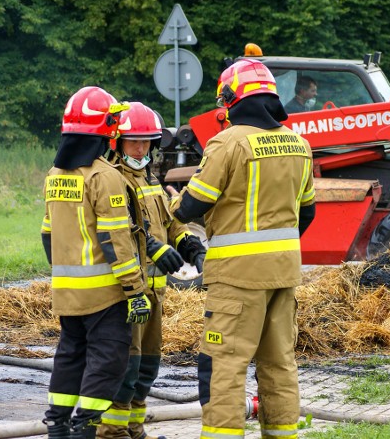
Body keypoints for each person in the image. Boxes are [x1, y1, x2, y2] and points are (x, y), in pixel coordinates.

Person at [169, 58, 316, 439]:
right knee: (279, 364)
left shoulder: (228, 142)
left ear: (232, 101)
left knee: (223, 366)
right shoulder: (299, 145)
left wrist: (172, 204)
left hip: (236, 279)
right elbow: (308, 214)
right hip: (283, 276)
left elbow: (191, 206)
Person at [41, 86, 152, 439]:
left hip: (67, 294)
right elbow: (115, 241)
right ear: (107, 130)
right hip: (104, 295)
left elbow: (48, 235)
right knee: (109, 361)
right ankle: (85, 427)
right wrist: (135, 290)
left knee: (71, 357)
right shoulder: (105, 176)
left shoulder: (56, 175)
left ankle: (57, 425)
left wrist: (66, 276)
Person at [97, 102, 205, 439]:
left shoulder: (148, 178)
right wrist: (154, 248)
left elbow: (166, 222)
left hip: (154, 292)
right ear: (117, 142)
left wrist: (188, 242)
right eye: (133, 141)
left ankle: (134, 428)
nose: (141, 148)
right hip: (128, 293)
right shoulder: (112, 179)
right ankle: (111, 433)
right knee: (126, 368)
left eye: (147, 141)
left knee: (147, 366)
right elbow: (123, 231)